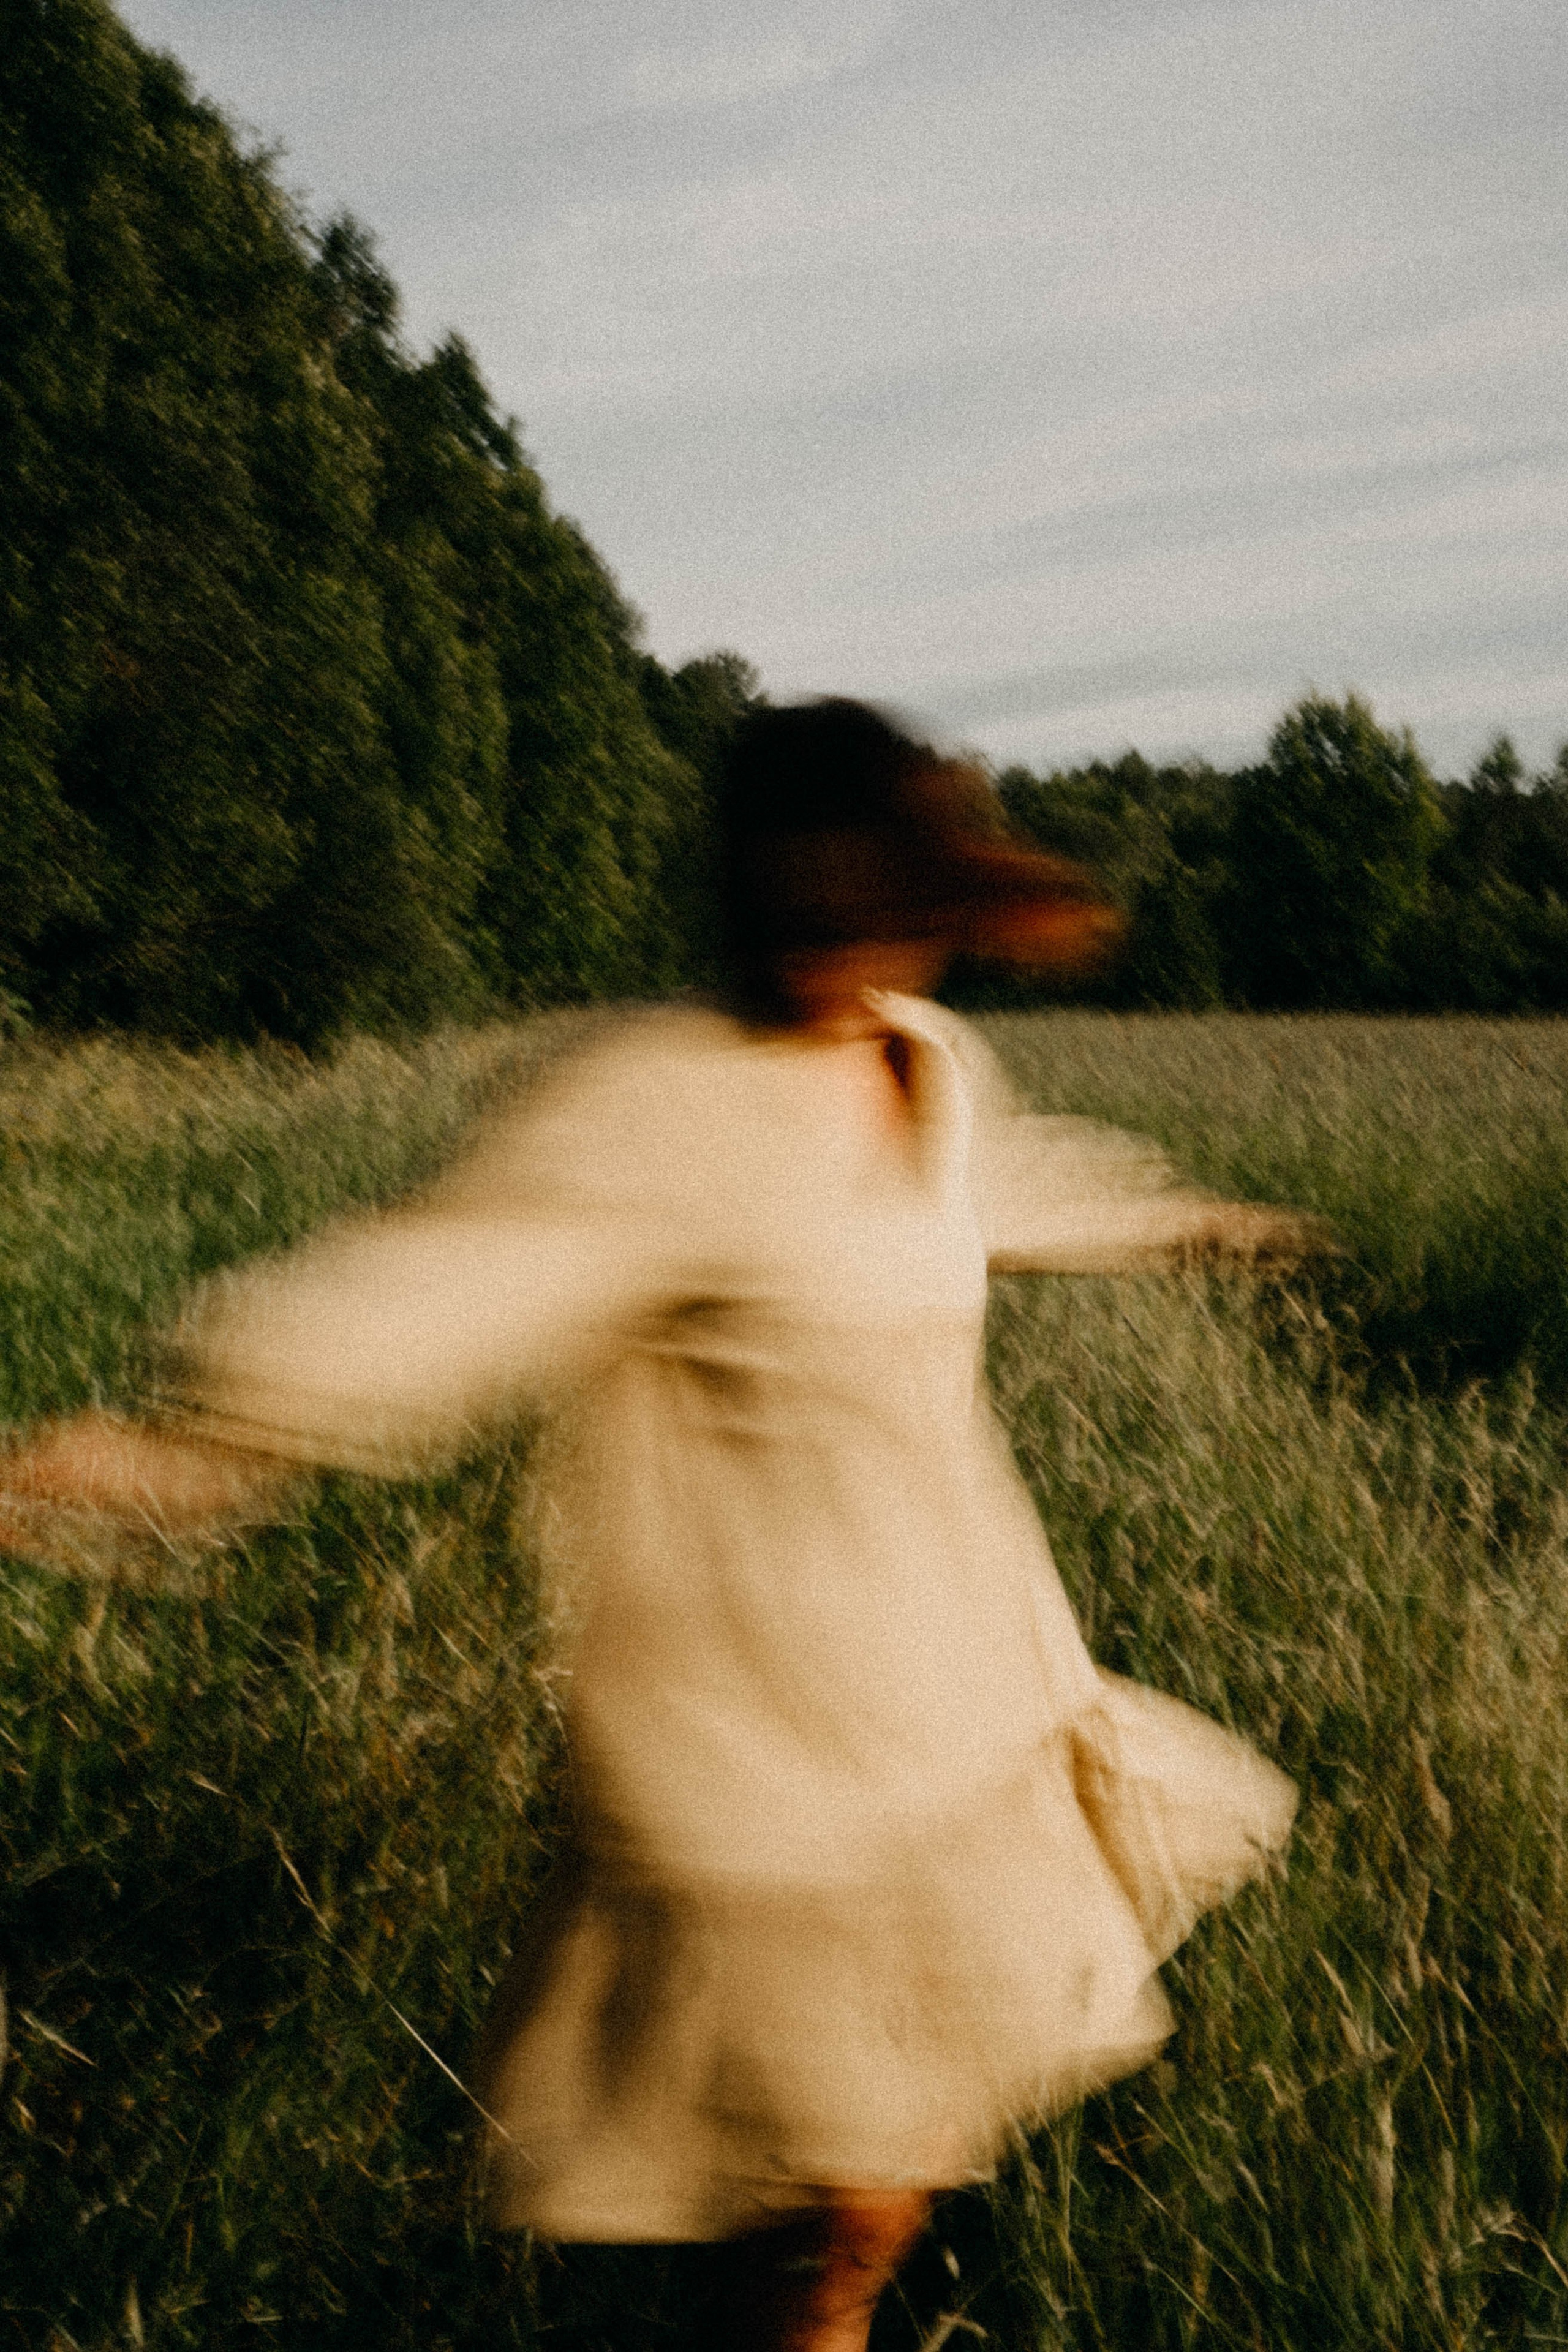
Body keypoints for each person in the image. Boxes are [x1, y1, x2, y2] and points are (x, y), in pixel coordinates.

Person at [1, 701, 1302, 2352]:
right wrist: (154, 1450)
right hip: (764, 1747)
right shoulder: (656, 1101)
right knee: (843, 2200)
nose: (867, 948)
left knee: (866, 2187)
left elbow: (994, 1194)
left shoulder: (931, 1061)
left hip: (958, 1678)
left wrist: (1190, 1223)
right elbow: (418, 1302)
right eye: (831, 909)